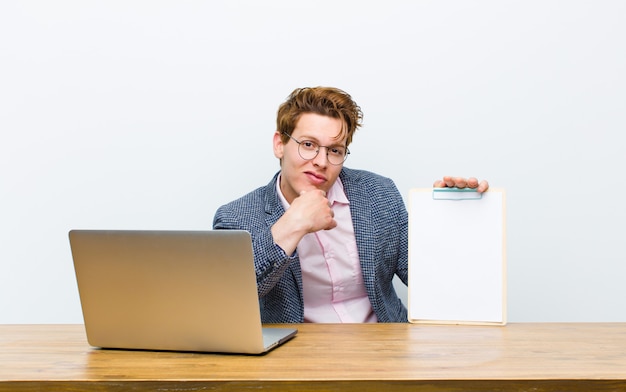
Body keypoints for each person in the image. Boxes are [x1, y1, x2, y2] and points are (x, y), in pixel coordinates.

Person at [213, 87, 488, 323]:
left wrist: (452, 217)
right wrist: (294, 223)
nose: (321, 161)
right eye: (308, 144)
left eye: (334, 150)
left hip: (385, 350)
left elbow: (429, 277)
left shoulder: (378, 194)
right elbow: (229, 295)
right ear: (279, 145)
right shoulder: (236, 217)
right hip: (296, 361)